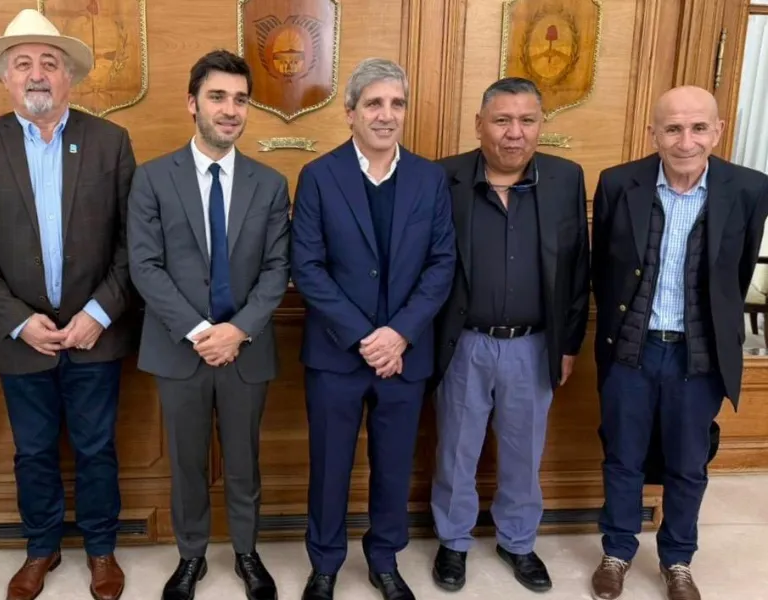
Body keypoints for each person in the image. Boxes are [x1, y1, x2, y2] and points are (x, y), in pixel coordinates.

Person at [0, 9, 137, 600]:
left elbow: (136, 239)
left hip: (95, 332)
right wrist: (18, 320)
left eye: (49, 63)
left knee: (98, 447)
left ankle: (102, 550)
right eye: (23, 63)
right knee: (32, 450)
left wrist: (97, 314)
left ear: (69, 77)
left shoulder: (109, 141)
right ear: (6, 78)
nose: (37, 74)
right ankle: (41, 548)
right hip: (18, 335)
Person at [589, 85, 768, 600]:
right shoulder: (619, 183)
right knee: (622, 455)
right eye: (672, 128)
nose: (685, 140)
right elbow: (606, 269)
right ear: (654, 133)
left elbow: (734, 275)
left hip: (700, 353)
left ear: (717, 131)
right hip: (632, 349)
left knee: (688, 464)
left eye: (697, 128)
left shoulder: (749, 189)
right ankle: (617, 551)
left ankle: (678, 561)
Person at [127, 49, 291, 600]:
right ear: (191, 103)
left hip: (245, 349)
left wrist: (236, 331)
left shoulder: (269, 185)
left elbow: (276, 269)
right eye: (218, 97)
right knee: (187, 462)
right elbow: (144, 266)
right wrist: (201, 332)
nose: (230, 110)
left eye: (240, 100)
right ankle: (191, 556)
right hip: (181, 350)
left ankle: (247, 553)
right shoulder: (152, 179)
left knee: (245, 461)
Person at [290, 57, 456, 600]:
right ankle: (326, 563)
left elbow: (441, 264)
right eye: (374, 104)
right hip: (338, 353)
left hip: (405, 356)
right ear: (351, 113)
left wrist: (399, 334)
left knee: (392, 466)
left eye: (397, 104)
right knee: (330, 466)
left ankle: (385, 560)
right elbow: (307, 267)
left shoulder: (431, 179)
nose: (386, 115)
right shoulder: (318, 176)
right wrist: (367, 336)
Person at [427, 77, 590, 594]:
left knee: (524, 450)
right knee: (457, 448)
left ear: (541, 125)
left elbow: (577, 272)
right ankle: (453, 543)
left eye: (527, 120)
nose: (514, 133)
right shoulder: (443, 178)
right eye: (502, 120)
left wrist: (568, 345)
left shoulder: (565, 179)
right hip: (462, 343)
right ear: (480, 125)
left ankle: (518, 542)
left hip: (534, 344)